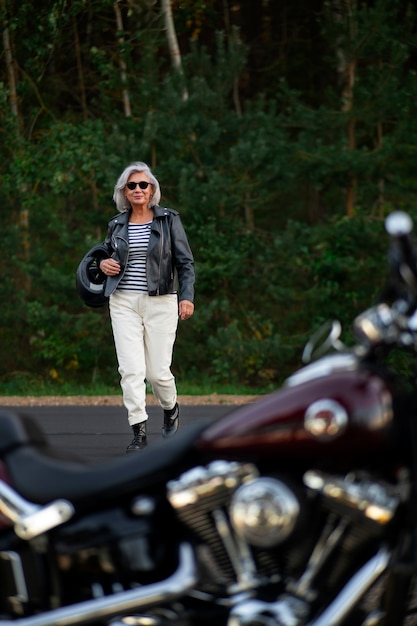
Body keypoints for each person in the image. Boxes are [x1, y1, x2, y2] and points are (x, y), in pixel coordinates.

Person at [99, 162, 195, 452]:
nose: (138, 189)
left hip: (161, 300)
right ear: (124, 192)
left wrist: (187, 296)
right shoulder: (116, 224)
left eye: (144, 184)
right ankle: (139, 432)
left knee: (157, 373)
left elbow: (185, 263)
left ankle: (170, 408)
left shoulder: (168, 220)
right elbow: (102, 257)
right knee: (130, 370)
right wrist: (102, 264)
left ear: (152, 189)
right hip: (123, 301)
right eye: (132, 185)